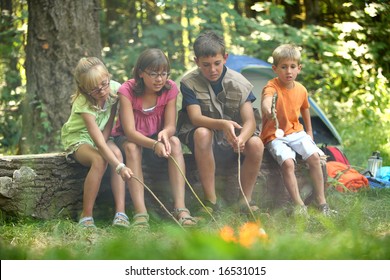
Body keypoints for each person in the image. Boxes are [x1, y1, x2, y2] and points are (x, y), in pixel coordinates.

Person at [176, 31, 264, 215]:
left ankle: (245, 200)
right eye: (206, 65)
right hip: (204, 138)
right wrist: (224, 124)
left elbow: (250, 122)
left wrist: (242, 139)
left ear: (225, 58)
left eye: (217, 63)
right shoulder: (189, 82)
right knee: (202, 132)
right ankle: (211, 201)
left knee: (256, 144)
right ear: (196, 61)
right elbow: (195, 118)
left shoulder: (240, 83)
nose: (212, 70)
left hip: (233, 139)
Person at [112, 48, 197, 228]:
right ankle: (140, 212)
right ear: (141, 73)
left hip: (155, 136)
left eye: (163, 73)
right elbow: (129, 131)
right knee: (132, 148)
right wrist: (154, 144)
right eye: (153, 74)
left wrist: (164, 135)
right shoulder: (126, 90)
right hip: (129, 137)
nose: (159, 79)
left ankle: (180, 208)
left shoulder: (170, 88)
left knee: (174, 142)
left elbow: (170, 126)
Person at [260, 44, 335, 216]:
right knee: (288, 163)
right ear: (275, 69)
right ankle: (299, 205)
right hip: (275, 135)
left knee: (315, 157)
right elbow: (267, 99)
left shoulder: (301, 89)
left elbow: (305, 109)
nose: (288, 71)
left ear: (299, 69)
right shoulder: (272, 86)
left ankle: (322, 201)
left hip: (296, 132)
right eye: (284, 67)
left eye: (293, 67)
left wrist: (309, 131)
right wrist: (267, 109)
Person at [61, 57, 133, 229]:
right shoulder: (83, 103)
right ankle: (86, 216)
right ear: (84, 89)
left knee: (116, 153)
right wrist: (120, 167)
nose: (102, 91)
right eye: (94, 89)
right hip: (79, 138)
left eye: (104, 84)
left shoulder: (115, 89)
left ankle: (120, 213)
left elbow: (109, 121)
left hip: (102, 135)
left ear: (108, 76)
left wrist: (109, 145)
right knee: (100, 160)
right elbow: (97, 143)